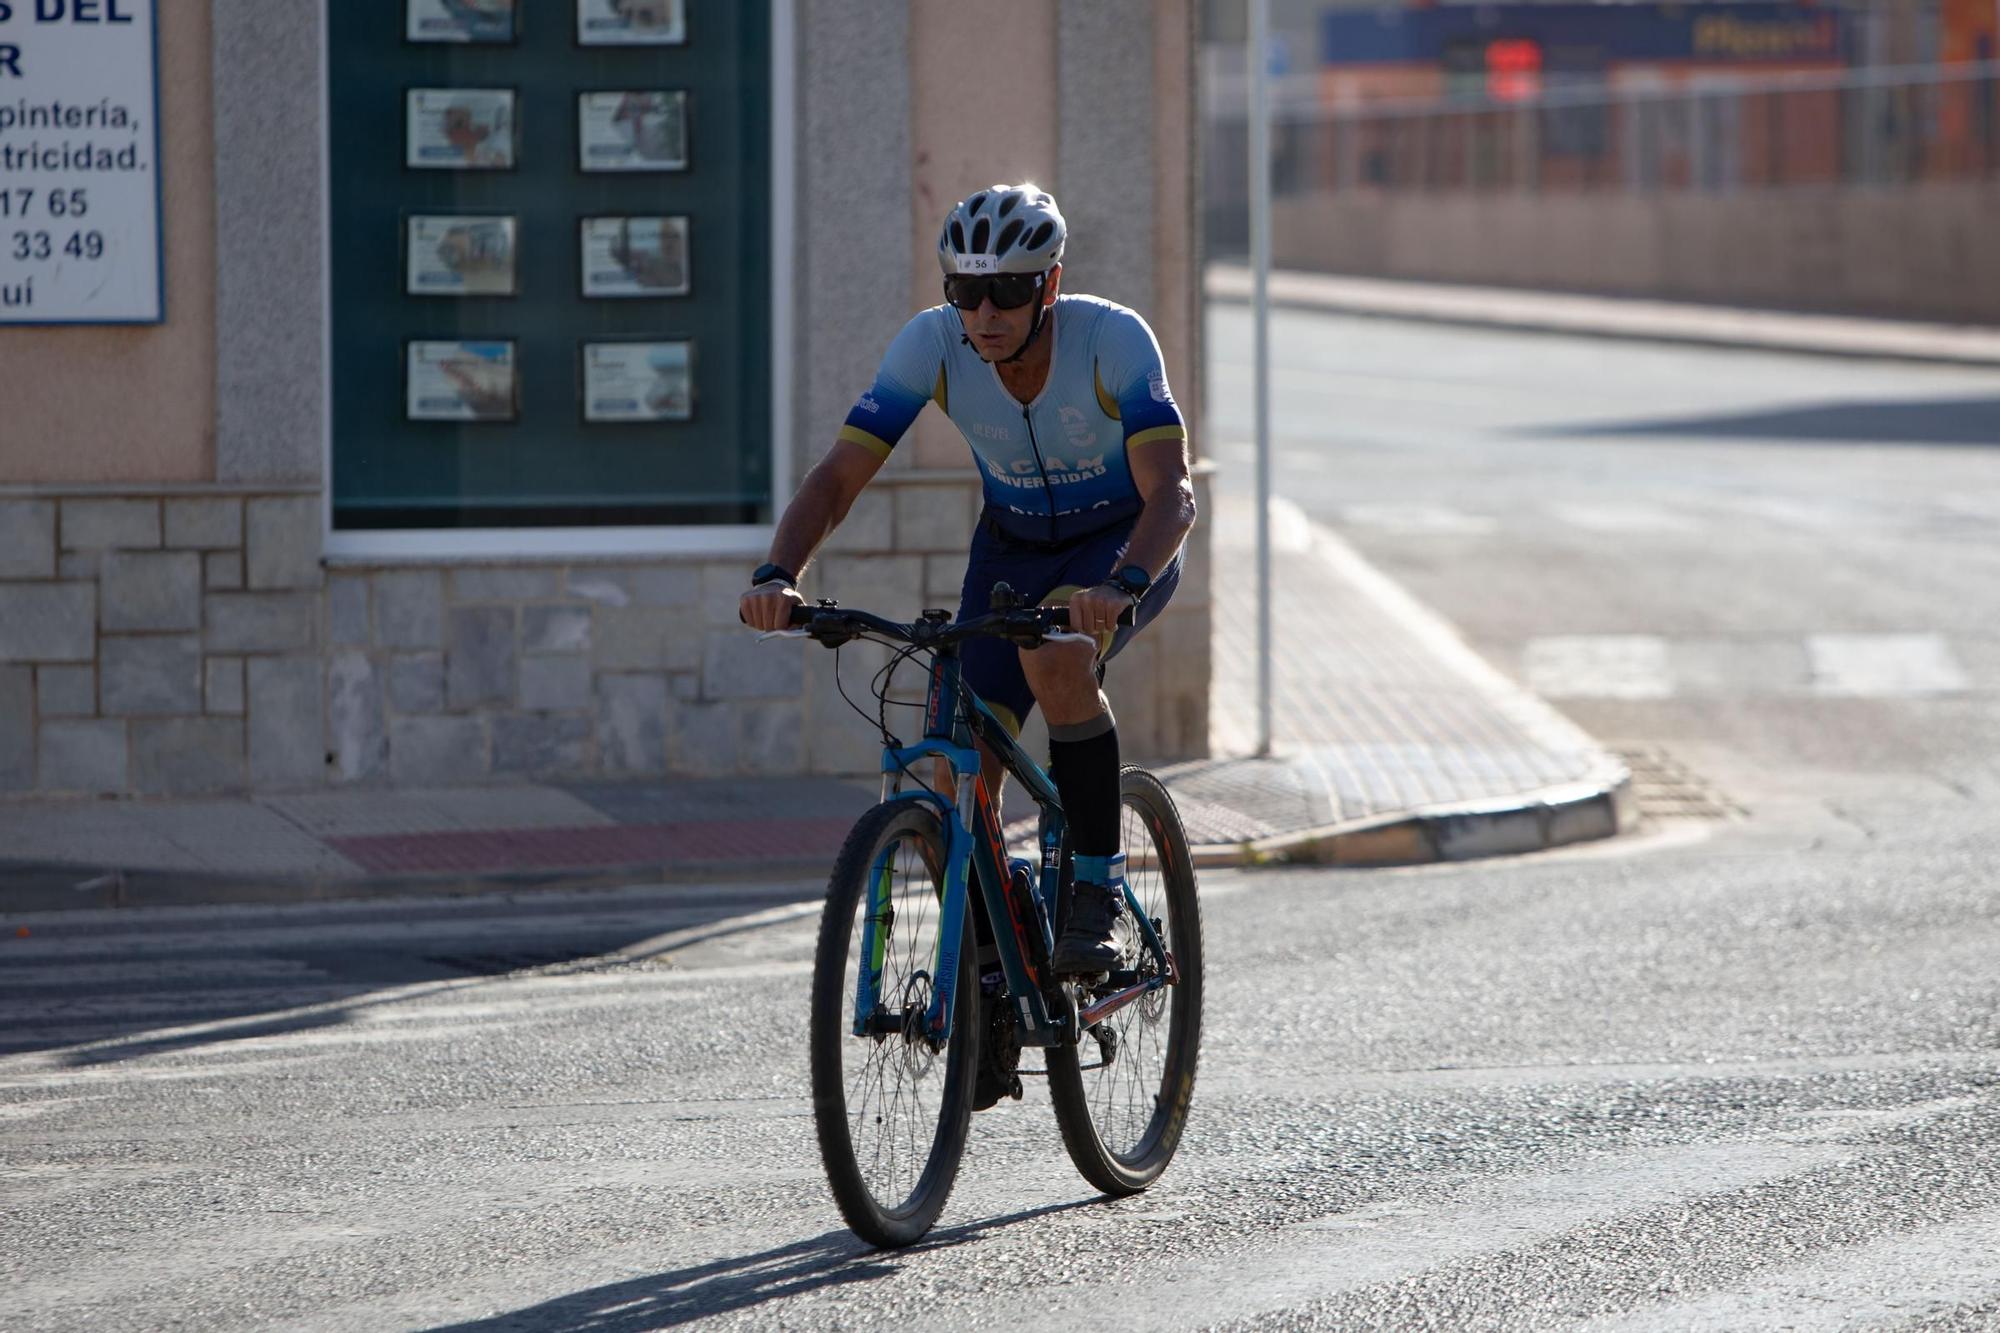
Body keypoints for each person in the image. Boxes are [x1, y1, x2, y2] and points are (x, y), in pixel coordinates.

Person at [740, 184, 1196, 974]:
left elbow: (1173, 492)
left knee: (1056, 657)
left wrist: (1121, 586)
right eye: (966, 291)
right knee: (961, 760)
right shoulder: (932, 345)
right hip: (1011, 550)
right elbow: (838, 477)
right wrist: (779, 572)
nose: (985, 312)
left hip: (1118, 544)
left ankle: (1096, 888)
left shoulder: (1113, 340)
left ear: (1048, 286)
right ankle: (991, 969)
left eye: (1009, 291)